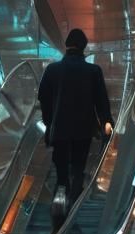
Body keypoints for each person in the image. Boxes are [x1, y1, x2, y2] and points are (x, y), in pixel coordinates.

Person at [38, 28, 114, 206]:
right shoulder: (93, 71)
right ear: (84, 47)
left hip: (59, 131)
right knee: (78, 168)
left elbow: (43, 98)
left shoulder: (52, 70)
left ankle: (59, 205)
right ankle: (73, 205)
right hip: (83, 130)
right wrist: (106, 122)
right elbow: (101, 101)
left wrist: (50, 124)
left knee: (61, 174)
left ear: (67, 46)